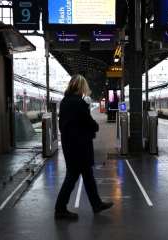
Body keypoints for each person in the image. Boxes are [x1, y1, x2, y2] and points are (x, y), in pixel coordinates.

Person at [55, 74, 113, 220]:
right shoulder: (79, 103)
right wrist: (94, 127)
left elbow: (63, 126)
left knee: (87, 176)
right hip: (79, 147)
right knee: (72, 176)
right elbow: (90, 123)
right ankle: (60, 209)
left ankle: (96, 204)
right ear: (81, 87)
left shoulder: (64, 102)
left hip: (70, 145)